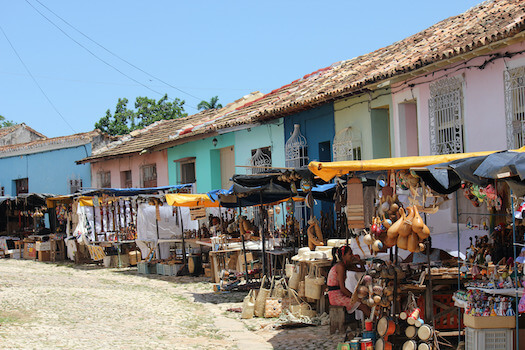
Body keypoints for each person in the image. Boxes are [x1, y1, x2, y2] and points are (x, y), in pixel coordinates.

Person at [327, 245, 371, 317]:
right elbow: (342, 288)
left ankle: (370, 323)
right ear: (344, 256)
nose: (352, 256)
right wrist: (354, 298)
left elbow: (362, 270)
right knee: (363, 306)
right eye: (350, 254)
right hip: (336, 297)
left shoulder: (344, 265)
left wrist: (359, 261)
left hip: (340, 294)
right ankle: (375, 324)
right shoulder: (340, 267)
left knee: (364, 303)